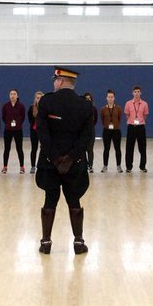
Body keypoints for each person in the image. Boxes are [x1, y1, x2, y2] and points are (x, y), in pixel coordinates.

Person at [34, 67, 95, 255]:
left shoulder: (46, 101)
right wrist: (70, 158)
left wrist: (55, 158)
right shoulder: (85, 105)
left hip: (50, 163)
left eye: (55, 80)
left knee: (50, 198)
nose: (54, 83)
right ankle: (78, 242)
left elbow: (42, 134)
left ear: (61, 81)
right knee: (74, 199)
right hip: (74, 164)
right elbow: (87, 137)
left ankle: (46, 243)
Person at [1, 89, 27, 173]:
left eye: (14, 94)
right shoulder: (5, 106)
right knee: (6, 149)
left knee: (19, 148)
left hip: (18, 130)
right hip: (8, 130)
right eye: (11, 94)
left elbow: (22, 117)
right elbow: (4, 117)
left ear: (17, 96)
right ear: (9, 96)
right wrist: (9, 124)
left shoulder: (21, 106)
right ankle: (5, 167)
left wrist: (18, 124)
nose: (12, 96)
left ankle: (22, 167)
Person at [99, 90, 122, 172]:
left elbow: (119, 118)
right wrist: (107, 125)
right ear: (106, 98)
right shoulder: (103, 109)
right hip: (106, 131)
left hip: (116, 131)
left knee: (117, 149)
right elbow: (102, 119)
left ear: (114, 98)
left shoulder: (118, 108)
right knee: (106, 149)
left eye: (112, 97)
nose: (110, 99)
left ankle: (119, 166)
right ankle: (105, 166)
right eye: (109, 97)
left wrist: (115, 125)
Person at [29, 91, 44, 169]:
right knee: (34, 149)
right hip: (34, 132)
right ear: (35, 99)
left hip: (43, 132)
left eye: (40, 98)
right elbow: (30, 120)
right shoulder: (31, 108)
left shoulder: (45, 108)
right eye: (37, 98)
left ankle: (42, 165)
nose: (39, 100)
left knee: (44, 149)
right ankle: (33, 166)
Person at [83, 92, 98, 172]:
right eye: (86, 98)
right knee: (82, 149)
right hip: (83, 132)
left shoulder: (94, 109)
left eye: (89, 98)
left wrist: (90, 126)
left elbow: (95, 119)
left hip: (91, 131)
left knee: (90, 149)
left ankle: (90, 165)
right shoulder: (81, 109)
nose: (88, 100)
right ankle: (84, 165)